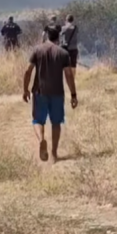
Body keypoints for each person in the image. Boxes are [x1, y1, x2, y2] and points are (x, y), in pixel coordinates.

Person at [23, 26, 78, 162]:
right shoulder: (63, 53)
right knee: (56, 123)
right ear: (58, 37)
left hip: (39, 92)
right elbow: (69, 75)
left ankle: (42, 140)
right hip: (57, 93)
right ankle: (53, 154)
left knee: (37, 120)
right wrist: (73, 95)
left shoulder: (37, 50)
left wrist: (25, 89)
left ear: (47, 35)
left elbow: (28, 71)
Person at [60, 14, 79, 79]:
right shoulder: (75, 28)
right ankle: (72, 79)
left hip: (66, 49)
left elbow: (61, 36)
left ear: (66, 20)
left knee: (65, 65)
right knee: (73, 65)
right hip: (74, 49)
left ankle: (66, 79)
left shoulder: (63, 28)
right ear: (72, 20)